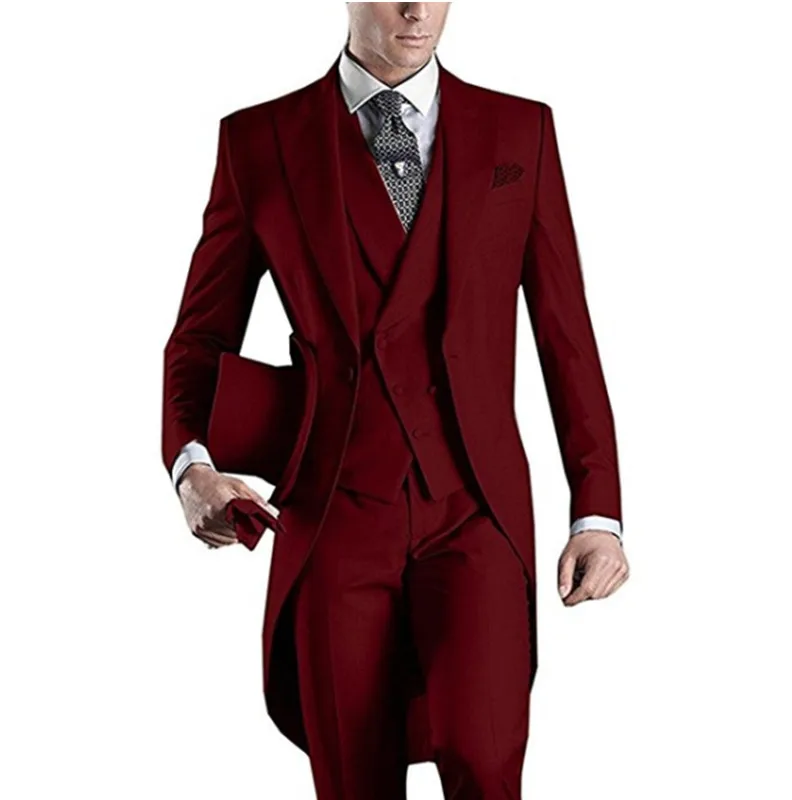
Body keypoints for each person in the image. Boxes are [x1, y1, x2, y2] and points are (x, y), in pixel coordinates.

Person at [161, 3, 630, 798]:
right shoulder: (258, 142)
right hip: (334, 514)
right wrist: (191, 466)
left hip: (475, 508)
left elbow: (566, 334)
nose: (417, 9)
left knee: (485, 761)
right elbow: (199, 338)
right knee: (353, 779)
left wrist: (598, 512)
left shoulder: (520, 132)